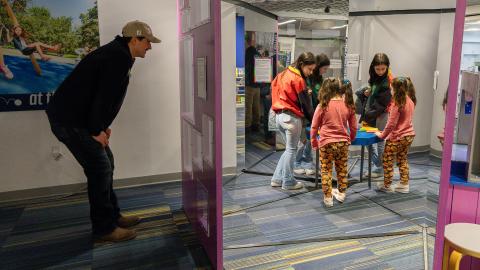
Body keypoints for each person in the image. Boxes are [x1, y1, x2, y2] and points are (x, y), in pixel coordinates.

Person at [46, 21, 160, 242]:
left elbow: (102, 96)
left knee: (106, 163)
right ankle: (104, 229)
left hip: (78, 119)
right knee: (100, 168)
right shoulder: (117, 57)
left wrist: (103, 126)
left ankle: (113, 217)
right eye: (147, 42)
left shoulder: (120, 54)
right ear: (134, 39)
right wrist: (95, 129)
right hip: (69, 121)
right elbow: (102, 98)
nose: (150, 47)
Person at [270, 52, 316, 190]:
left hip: (278, 116)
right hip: (291, 117)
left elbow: (273, 90)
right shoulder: (298, 79)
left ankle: (277, 178)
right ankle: (288, 181)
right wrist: (315, 122)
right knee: (291, 150)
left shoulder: (282, 74)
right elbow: (306, 106)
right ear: (302, 65)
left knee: (288, 150)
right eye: (309, 69)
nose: (311, 72)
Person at [310, 78, 357, 207]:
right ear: (339, 89)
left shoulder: (322, 105)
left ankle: (328, 197)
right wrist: (351, 138)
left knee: (326, 169)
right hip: (342, 143)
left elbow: (314, 126)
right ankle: (341, 194)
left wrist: (314, 141)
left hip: (326, 142)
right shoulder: (348, 104)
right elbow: (353, 127)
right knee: (342, 168)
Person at [375, 77, 416, 193]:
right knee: (402, 159)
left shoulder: (396, 103)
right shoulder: (410, 100)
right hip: (409, 135)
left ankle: (386, 185)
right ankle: (404, 184)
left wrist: (382, 135)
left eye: (391, 87)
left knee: (387, 159)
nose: (390, 89)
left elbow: (391, 124)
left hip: (397, 137)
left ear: (395, 89)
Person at [294, 53, 330, 176]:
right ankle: (296, 162)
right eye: (324, 68)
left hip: (315, 113)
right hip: (305, 113)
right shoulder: (307, 78)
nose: (325, 71)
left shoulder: (321, 80)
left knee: (311, 139)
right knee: (302, 139)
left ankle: (307, 162)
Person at [359, 53, 393, 178]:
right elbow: (373, 91)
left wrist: (367, 115)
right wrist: (368, 92)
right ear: (373, 67)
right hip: (371, 112)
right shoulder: (374, 77)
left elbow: (381, 104)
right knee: (366, 139)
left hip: (380, 114)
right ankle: (377, 165)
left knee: (380, 141)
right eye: (377, 69)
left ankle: (379, 168)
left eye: (383, 69)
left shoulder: (387, 82)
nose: (380, 71)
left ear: (387, 67)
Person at [244, 32, 261, 132]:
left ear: (246, 41)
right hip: (257, 85)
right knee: (256, 106)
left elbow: (246, 68)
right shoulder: (258, 54)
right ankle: (256, 124)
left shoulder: (247, 53)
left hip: (249, 85)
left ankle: (247, 126)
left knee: (248, 107)